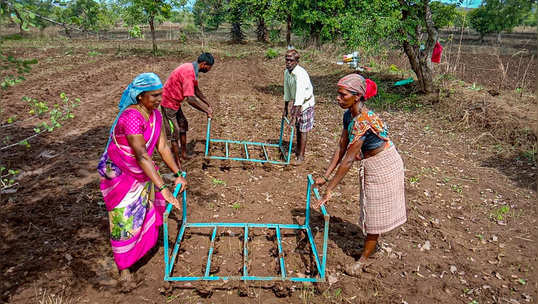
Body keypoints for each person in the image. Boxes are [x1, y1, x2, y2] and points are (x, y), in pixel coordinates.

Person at [97, 73, 187, 288]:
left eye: (160, 95)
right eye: (154, 95)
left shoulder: (155, 115)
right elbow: (141, 155)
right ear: (140, 96)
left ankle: (143, 246)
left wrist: (178, 173)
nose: (159, 99)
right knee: (124, 218)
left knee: (142, 210)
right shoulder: (131, 117)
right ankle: (124, 266)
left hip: (140, 170)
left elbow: (163, 147)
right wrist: (163, 187)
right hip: (121, 173)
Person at [313, 73, 406, 276]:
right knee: (369, 209)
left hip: (384, 164)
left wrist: (330, 190)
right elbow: (341, 146)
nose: (337, 98)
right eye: (337, 94)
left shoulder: (363, 121)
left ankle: (364, 259)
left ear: (357, 97)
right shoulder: (349, 115)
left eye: (342, 95)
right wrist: (326, 176)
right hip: (370, 162)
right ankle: (369, 247)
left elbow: (348, 159)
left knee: (374, 214)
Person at [161, 52, 214, 164]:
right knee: (174, 133)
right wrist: (206, 110)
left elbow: (196, 90)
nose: (209, 70)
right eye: (209, 67)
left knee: (183, 125)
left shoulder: (193, 69)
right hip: (168, 104)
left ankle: (183, 153)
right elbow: (190, 98)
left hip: (175, 102)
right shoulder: (188, 72)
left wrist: (207, 102)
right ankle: (177, 162)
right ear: (204, 64)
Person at [283, 49, 315, 165]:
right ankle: (297, 150)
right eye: (287, 60)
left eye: (291, 60)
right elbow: (286, 90)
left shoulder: (300, 74)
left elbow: (301, 95)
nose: (288, 63)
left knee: (303, 129)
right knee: (297, 127)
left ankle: (301, 156)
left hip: (306, 102)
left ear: (297, 61)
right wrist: (286, 107)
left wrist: (294, 115)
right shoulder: (287, 72)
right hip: (297, 102)